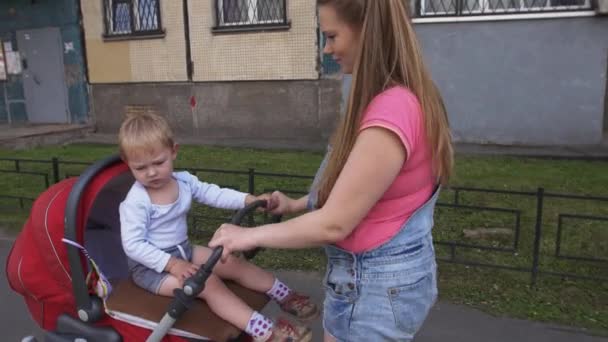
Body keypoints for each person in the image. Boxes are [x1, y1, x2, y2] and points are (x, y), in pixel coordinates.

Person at [209, 0, 454, 341]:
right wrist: (295, 204)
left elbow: (335, 222)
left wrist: (246, 236)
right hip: (379, 282)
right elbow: (370, 195)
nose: (328, 49)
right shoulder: (402, 96)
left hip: (373, 290)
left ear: (366, 31)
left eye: (332, 36)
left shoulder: (392, 110)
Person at [118, 112, 318, 342]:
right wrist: (172, 264)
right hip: (152, 269)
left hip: (182, 249)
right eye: (141, 168)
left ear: (174, 151)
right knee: (207, 283)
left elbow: (213, 193)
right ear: (128, 165)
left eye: (159, 163)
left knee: (230, 261)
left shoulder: (183, 181)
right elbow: (132, 245)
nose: (151, 172)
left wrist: (248, 199)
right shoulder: (136, 201)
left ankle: (285, 295)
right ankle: (266, 332)